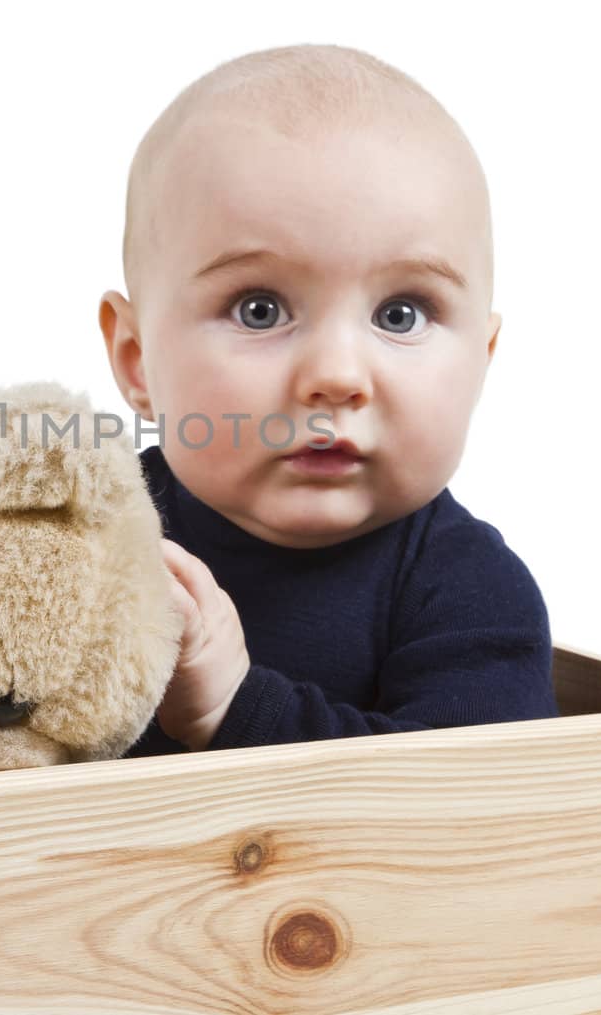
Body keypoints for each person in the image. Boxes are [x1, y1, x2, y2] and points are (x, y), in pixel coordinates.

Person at [97, 44, 559, 758]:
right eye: (259, 308)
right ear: (137, 361)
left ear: (481, 363)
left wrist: (235, 706)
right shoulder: (90, 537)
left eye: (401, 313)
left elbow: (469, 814)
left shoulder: (471, 595)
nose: (338, 374)